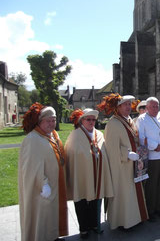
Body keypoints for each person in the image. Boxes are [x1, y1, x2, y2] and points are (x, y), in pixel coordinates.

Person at [98, 94, 148, 230]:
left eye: (129, 104)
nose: (128, 107)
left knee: (133, 192)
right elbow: (111, 148)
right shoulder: (113, 124)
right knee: (125, 194)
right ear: (117, 108)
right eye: (125, 104)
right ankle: (124, 222)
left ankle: (136, 218)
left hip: (134, 164)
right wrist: (126, 154)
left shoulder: (129, 120)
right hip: (121, 167)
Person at [18, 103, 68, 241]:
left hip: (54, 184)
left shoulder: (51, 135)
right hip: (41, 188)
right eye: (48, 121)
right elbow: (30, 167)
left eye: (54, 120)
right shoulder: (32, 139)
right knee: (42, 215)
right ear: (40, 122)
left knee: (52, 213)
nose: (52, 124)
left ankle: (53, 236)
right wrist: (43, 183)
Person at [65, 108, 114, 239]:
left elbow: (104, 150)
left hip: (97, 173)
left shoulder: (99, 134)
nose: (91, 122)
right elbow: (72, 155)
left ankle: (93, 224)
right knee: (81, 200)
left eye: (93, 119)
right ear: (82, 120)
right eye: (88, 119)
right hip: (81, 174)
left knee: (96, 199)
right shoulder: (75, 136)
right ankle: (84, 228)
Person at [137, 97, 160, 221]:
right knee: (151, 185)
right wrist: (154, 146)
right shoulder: (142, 119)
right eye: (153, 106)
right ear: (147, 107)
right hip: (152, 157)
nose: (155, 108)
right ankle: (150, 210)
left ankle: (159, 207)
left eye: (157, 106)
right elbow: (142, 138)